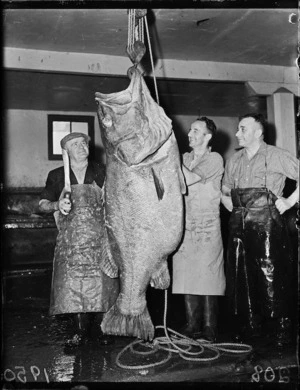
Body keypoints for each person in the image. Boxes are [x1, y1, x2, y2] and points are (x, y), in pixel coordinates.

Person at [221, 113, 299, 346]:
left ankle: (281, 328)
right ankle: (251, 325)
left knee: (271, 274)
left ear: (258, 132)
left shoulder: (276, 155)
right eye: (238, 129)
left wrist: (289, 201)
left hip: (268, 224)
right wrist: (232, 208)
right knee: (240, 274)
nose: (237, 134)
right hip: (239, 225)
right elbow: (225, 190)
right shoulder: (234, 160)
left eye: (243, 129)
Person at [39, 132, 119, 346]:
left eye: (84, 143)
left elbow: (118, 201)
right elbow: (42, 204)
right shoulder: (56, 176)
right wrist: (57, 205)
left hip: (100, 240)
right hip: (71, 244)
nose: (82, 146)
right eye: (76, 144)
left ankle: (104, 331)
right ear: (66, 151)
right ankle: (80, 332)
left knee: (104, 285)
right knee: (74, 288)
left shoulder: (102, 171)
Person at [172, 117, 225, 342]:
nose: (190, 134)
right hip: (185, 225)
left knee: (209, 276)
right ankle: (192, 325)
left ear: (208, 137)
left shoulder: (215, 159)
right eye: (190, 130)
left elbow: (189, 178)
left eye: (196, 130)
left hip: (207, 226)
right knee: (186, 275)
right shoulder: (184, 158)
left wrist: (170, 155)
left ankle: (210, 327)